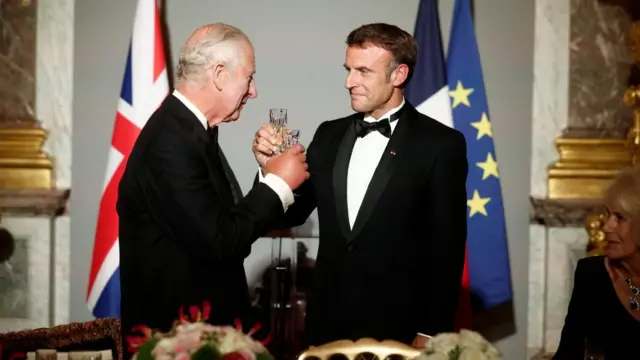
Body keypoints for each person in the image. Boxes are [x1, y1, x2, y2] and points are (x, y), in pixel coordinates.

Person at [252, 23, 468, 347]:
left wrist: (430, 332)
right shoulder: (329, 135)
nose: (348, 82)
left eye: (363, 71)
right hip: (326, 326)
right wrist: (268, 171)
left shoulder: (440, 144)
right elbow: (291, 214)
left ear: (399, 75)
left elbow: (447, 250)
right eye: (349, 69)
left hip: (400, 330)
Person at [117, 23, 309, 356]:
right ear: (219, 74)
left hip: (202, 337)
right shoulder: (171, 142)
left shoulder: (189, 131)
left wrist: (267, 174)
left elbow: (225, 225)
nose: (253, 91)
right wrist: (279, 183)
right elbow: (221, 241)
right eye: (248, 77)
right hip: (178, 344)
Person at [554, 168, 640, 359]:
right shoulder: (591, 275)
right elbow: (569, 354)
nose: (607, 226)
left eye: (619, 218)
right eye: (608, 215)